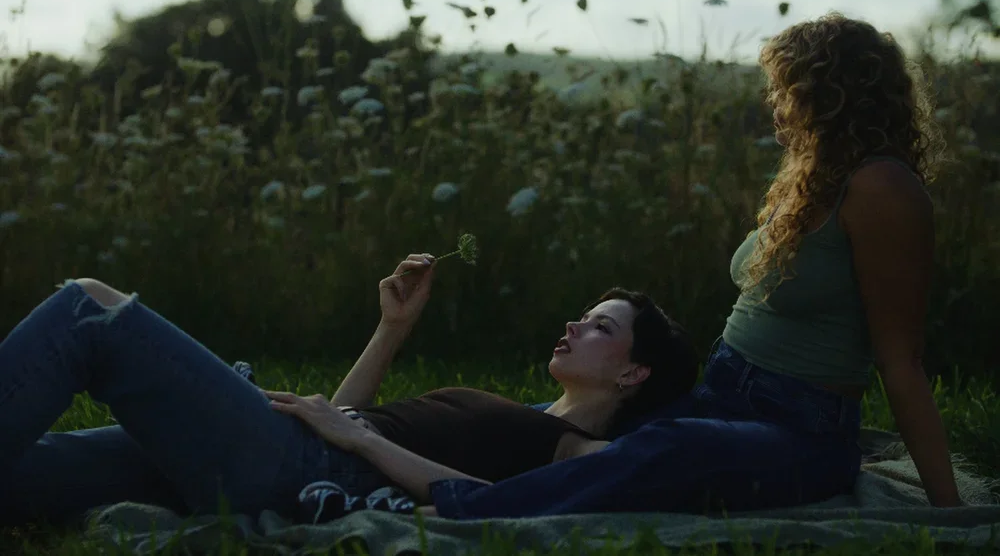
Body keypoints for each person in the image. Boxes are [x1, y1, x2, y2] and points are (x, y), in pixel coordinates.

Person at [414, 12, 963, 520]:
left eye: (787, 88)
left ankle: (460, 511)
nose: (774, 102)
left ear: (832, 95)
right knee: (530, 423)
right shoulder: (811, 176)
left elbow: (901, 362)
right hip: (719, 396)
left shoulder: (884, 188)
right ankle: (375, 452)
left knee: (670, 449)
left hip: (800, 430)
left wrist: (948, 510)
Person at [0, 255, 699, 526]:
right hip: (293, 447)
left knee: (92, 309)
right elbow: (346, 417)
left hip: (297, 466)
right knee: (27, 474)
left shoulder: (584, 450)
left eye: (601, 327)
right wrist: (393, 329)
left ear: (632, 373)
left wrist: (360, 440)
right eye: (583, 315)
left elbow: (502, 505)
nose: (574, 325)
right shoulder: (525, 412)